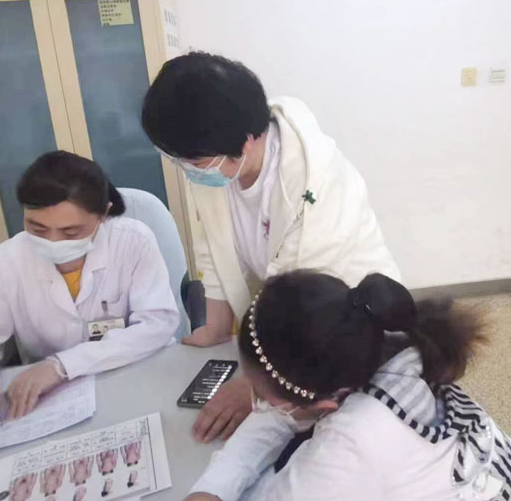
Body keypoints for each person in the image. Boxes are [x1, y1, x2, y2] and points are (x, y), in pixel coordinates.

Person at [142, 52, 400, 441]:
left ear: (249, 139)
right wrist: (214, 328)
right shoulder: (215, 167)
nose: (187, 169)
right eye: (176, 159)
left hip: (346, 323)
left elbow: (305, 301)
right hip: (287, 326)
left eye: (194, 160)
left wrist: (254, 384)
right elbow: (214, 247)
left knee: (339, 434)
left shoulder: (316, 181)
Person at [187, 270, 511, 501]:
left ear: (323, 404)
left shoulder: (353, 442)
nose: (256, 406)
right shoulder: (390, 343)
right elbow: (288, 415)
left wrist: (211, 486)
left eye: (261, 399)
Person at [0, 151, 180, 434]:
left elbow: (157, 324)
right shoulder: (5, 262)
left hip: (132, 379)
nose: (53, 242)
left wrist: (62, 365)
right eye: (37, 228)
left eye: (71, 233)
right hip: (51, 406)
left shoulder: (133, 241)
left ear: (103, 214)